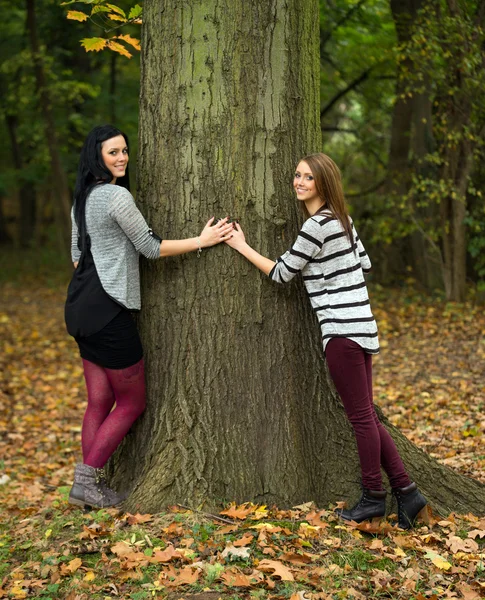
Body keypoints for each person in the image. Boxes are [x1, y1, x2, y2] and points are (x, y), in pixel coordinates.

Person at [224, 153, 427, 529]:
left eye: (308, 178)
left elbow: (282, 273)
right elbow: (363, 263)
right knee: (368, 415)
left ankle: (373, 498)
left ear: (323, 183)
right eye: (297, 175)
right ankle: (408, 493)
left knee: (361, 419)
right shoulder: (343, 221)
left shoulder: (316, 227)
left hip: (341, 331)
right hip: (363, 327)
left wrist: (240, 245)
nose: (299, 182)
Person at [65, 124, 234, 509]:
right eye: (113, 152)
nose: (122, 157)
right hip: (108, 311)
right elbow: (150, 247)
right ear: (97, 156)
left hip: (79, 307)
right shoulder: (115, 197)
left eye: (125, 150)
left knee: (99, 400)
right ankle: (88, 482)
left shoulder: (81, 198)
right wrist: (201, 241)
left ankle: (92, 484)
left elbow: (76, 255)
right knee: (132, 402)